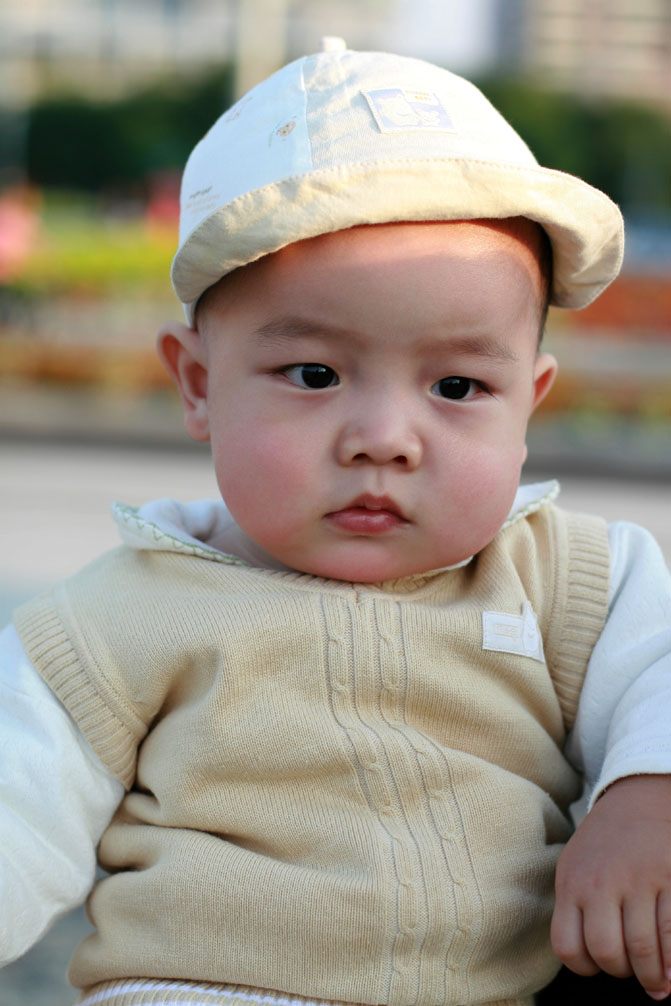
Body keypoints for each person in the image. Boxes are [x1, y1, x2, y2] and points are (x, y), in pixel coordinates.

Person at [1, 39, 671, 1006]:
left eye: (457, 385)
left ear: (529, 403)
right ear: (197, 385)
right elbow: (17, 808)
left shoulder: (572, 583)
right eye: (314, 375)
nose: (383, 439)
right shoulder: (122, 618)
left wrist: (644, 795)